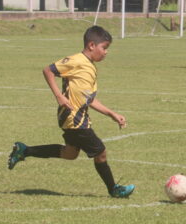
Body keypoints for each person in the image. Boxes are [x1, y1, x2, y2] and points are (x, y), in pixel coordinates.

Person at [7, 25, 135, 199]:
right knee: (101, 152)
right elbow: (48, 70)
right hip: (74, 118)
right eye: (104, 48)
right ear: (91, 45)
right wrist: (59, 96)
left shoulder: (90, 67)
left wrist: (111, 114)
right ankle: (114, 189)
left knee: (70, 153)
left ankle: (24, 150)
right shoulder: (76, 61)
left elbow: (88, 99)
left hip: (78, 117)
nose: (106, 52)